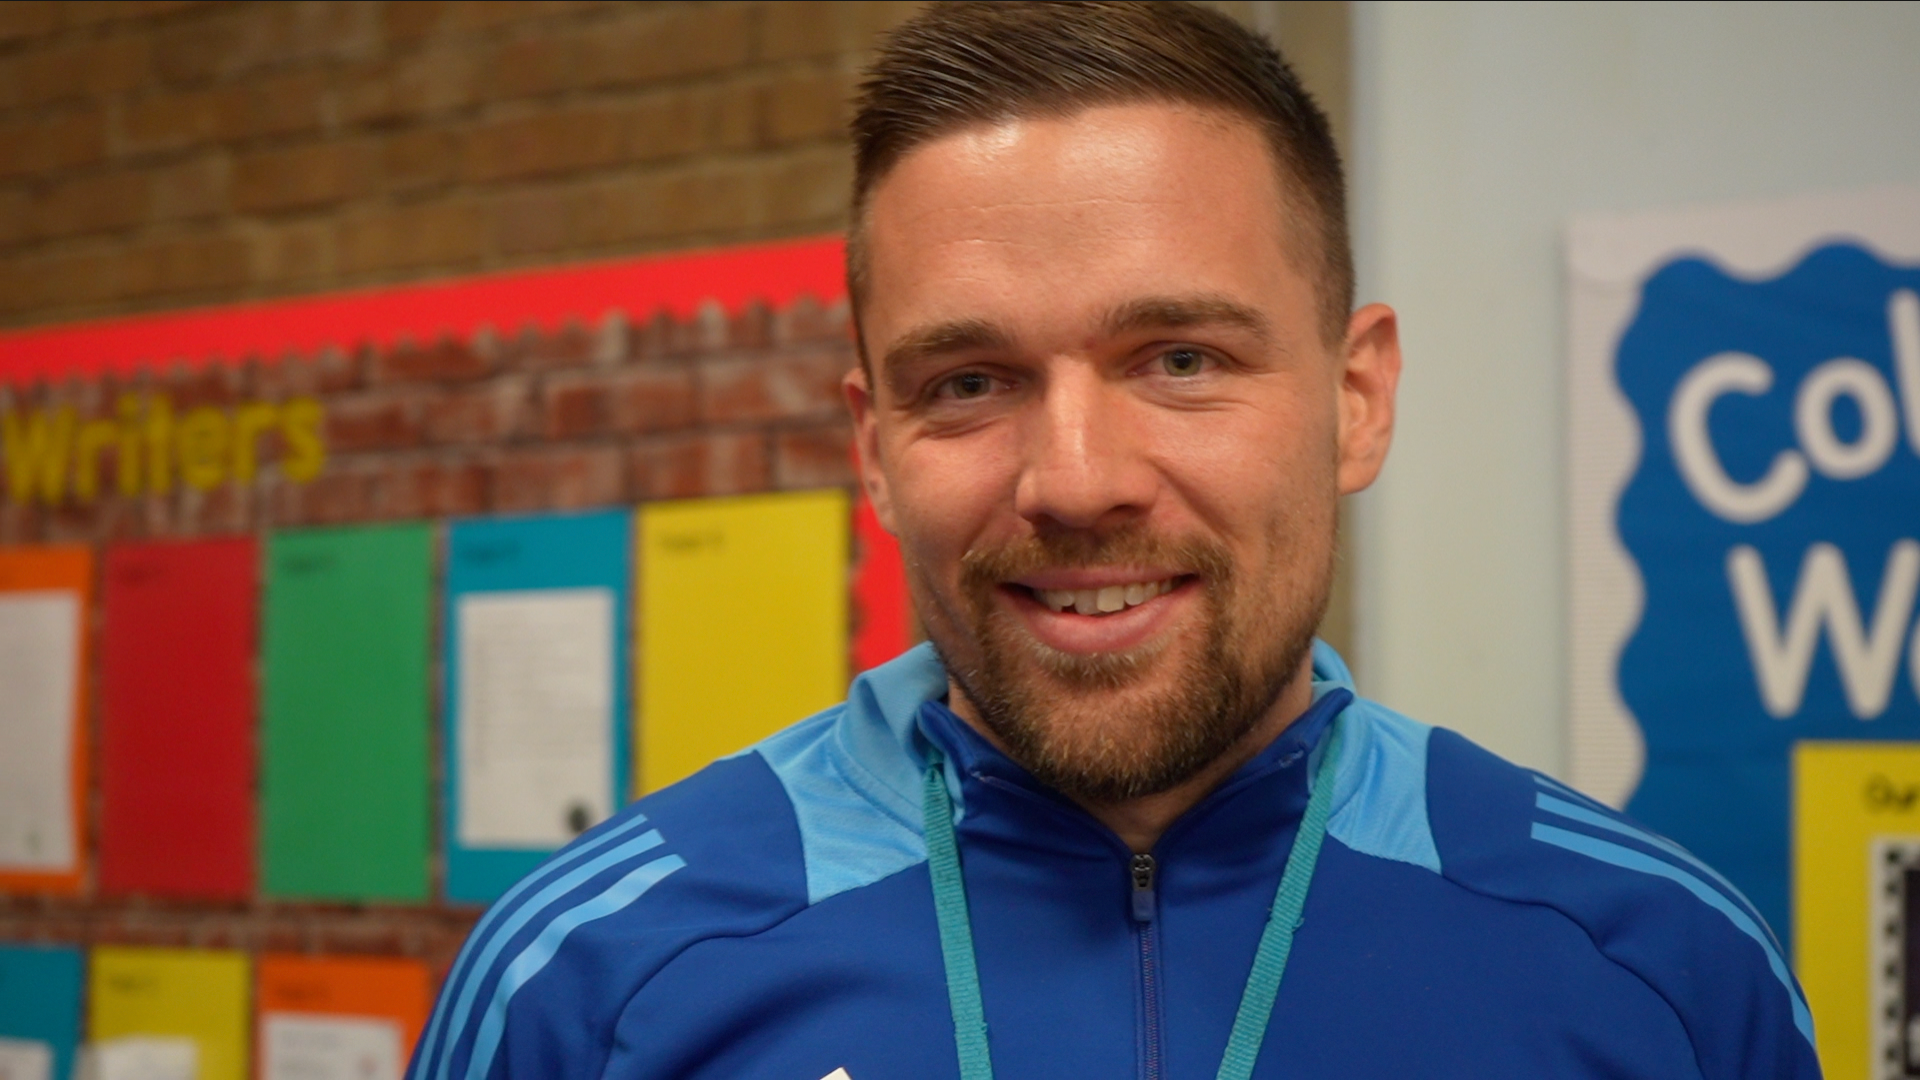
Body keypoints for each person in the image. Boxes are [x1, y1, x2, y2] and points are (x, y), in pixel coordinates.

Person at [408, 4, 1820, 1078]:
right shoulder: (586, 981)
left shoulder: (1665, 971)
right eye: (968, 383)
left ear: (1356, 400)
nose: (1075, 482)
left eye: (1181, 359)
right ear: (874, 447)